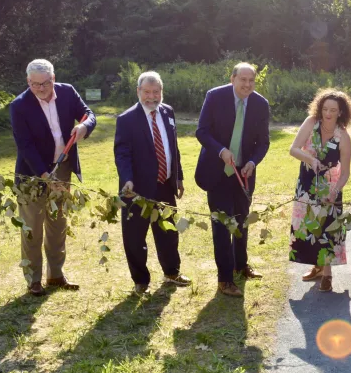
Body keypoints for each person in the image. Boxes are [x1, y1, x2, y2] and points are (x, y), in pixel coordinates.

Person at [10, 59, 96, 297]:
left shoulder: (67, 92)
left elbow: (89, 114)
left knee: (57, 224)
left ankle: (56, 275)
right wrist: (45, 175)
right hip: (32, 175)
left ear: (53, 79)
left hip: (62, 171)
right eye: (34, 84)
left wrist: (84, 127)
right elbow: (25, 146)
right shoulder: (19, 106)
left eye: (45, 83)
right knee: (32, 229)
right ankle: (33, 280)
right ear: (28, 81)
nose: (40, 89)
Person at [195, 63, 270, 297]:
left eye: (251, 81)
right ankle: (225, 279)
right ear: (233, 79)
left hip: (243, 175)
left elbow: (263, 142)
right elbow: (202, 131)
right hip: (217, 173)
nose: (247, 84)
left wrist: (252, 162)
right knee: (222, 225)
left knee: (241, 221)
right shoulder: (214, 97)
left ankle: (241, 265)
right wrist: (221, 151)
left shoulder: (261, 104)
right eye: (243, 80)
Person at [114, 71, 191, 295]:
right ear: (138, 91)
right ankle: (140, 281)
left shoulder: (168, 112)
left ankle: (172, 272)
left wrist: (178, 176)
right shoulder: (126, 119)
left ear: (161, 92)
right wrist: (127, 179)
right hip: (136, 190)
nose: (151, 97)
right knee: (135, 236)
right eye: (146, 92)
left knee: (168, 231)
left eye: (156, 92)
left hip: (165, 184)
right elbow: (122, 154)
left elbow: (173, 148)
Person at [289, 89, 351, 293]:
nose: (328, 113)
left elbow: (346, 172)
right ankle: (317, 267)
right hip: (307, 184)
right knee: (309, 227)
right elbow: (293, 149)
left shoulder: (343, 137)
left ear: (340, 112)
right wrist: (311, 159)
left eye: (333, 110)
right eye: (325, 109)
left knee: (327, 229)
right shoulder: (311, 123)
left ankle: (327, 275)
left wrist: (335, 191)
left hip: (330, 187)